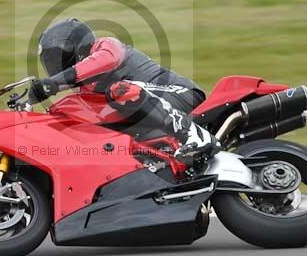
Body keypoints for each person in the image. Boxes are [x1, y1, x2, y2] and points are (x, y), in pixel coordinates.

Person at [29, 18, 221, 165]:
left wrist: (51, 84)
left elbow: (103, 62)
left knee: (120, 90)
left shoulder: (106, 46)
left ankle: (196, 137)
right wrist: (31, 103)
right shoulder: (86, 85)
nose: (54, 66)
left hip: (181, 94)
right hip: (152, 112)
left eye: (56, 58)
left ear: (74, 49)